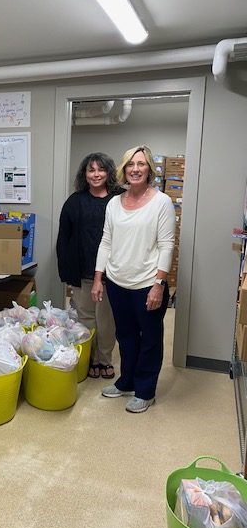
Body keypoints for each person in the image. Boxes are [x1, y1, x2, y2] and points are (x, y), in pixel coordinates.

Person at [92, 145, 175, 413]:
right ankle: (126, 381)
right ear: (124, 170)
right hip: (117, 282)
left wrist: (159, 285)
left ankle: (145, 390)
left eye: (141, 164)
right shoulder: (114, 203)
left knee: (149, 338)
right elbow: (106, 241)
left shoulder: (161, 202)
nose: (135, 169)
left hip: (147, 285)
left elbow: (167, 245)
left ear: (149, 169)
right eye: (130, 164)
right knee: (125, 336)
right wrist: (98, 277)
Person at [56, 152, 121, 379]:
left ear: (109, 172)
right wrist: (65, 270)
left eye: (100, 169)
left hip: (111, 273)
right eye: (91, 170)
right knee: (85, 317)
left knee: (106, 319)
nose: (96, 174)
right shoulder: (75, 201)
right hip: (82, 270)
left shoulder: (119, 199)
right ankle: (90, 358)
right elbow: (64, 237)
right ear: (85, 174)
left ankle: (105, 359)